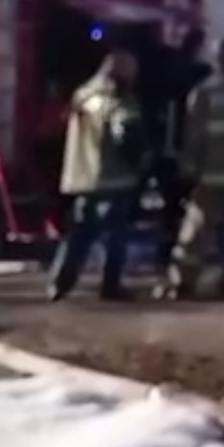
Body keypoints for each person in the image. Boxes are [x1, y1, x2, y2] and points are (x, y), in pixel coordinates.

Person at [155, 37, 224, 300]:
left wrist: (188, 169)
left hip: (215, 175)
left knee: (197, 231)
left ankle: (183, 282)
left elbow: (195, 137)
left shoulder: (205, 93)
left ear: (215, 60)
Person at [47, 48, 144, 302]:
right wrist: (141, 160)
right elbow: (125, 135)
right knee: (115, 235)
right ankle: (110, 286)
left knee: (79, 234)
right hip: (114, 178)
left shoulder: (83, 95)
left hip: (83, 178)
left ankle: (59, 284)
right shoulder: (119, 100)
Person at [151, 29, 212, 275]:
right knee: (191, 206)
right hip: (186, 150)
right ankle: (183, 253)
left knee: (169, 206)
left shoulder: (164, 72)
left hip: (166, 149)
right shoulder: (198, 76)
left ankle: (165, 253)